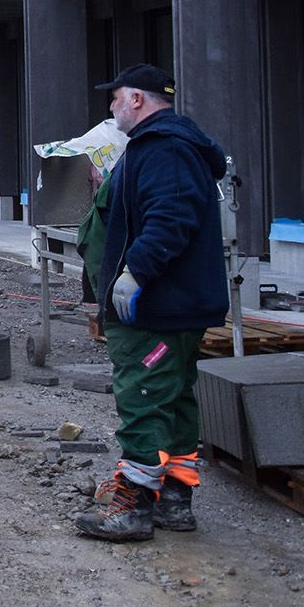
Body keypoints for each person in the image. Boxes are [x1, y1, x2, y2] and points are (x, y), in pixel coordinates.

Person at [74, 64, 228, 543]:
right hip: (173, 306)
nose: (112, 106)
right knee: (174, 397)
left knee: (143, 395)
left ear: (137, 99)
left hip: (156, 308)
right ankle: (175, 499)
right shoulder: (164, 146)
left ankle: (134, 506)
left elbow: (171, 217)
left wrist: (135, 272)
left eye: (116, 97)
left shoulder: (164, 148)